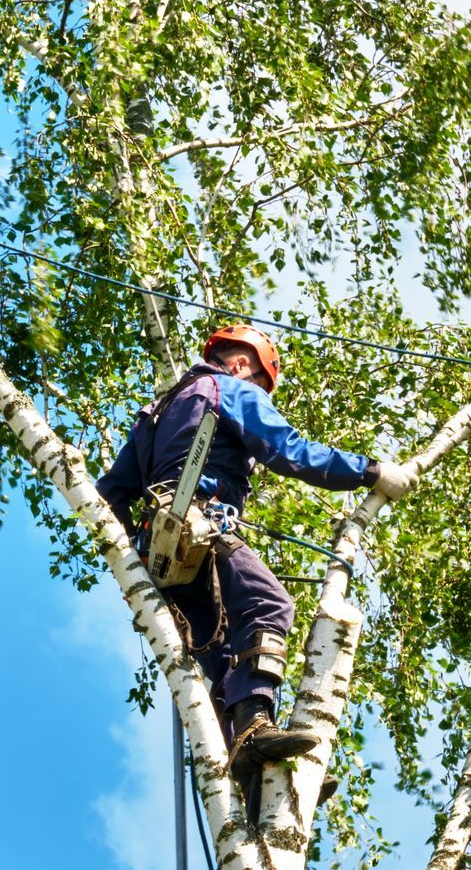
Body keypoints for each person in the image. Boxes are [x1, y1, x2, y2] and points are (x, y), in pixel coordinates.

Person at [98, 325, 414, 797]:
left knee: (224, 652)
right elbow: (290, 452)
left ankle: (247, 770)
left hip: (161, 554)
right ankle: (255, 727)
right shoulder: (229, 388)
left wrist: (132, 561)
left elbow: (110, 493)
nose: (260, 394)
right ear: (244, 365)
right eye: (263, 388)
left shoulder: (155, 415)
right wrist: (371, 471)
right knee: (269, 606)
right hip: (202, 526)